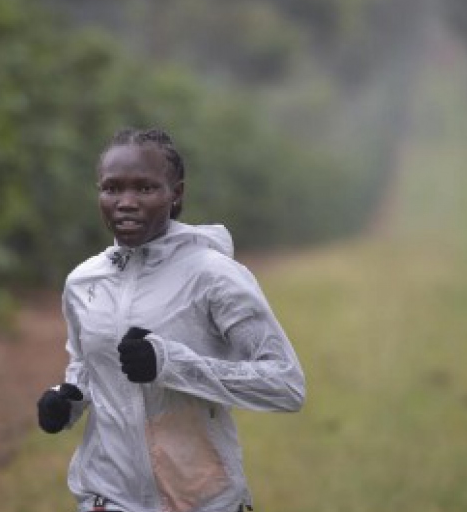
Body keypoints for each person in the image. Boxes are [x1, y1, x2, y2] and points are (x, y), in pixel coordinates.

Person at [36, 127, 306, 512]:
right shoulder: (83, 282)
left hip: (203, 498)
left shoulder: (214, 275)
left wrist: (171, 364)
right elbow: (85, 365)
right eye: (111, 189)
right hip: (106, 495)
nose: (125, 202)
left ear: (175, 193)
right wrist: (68, 401)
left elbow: (286, 384)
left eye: (144, 188)